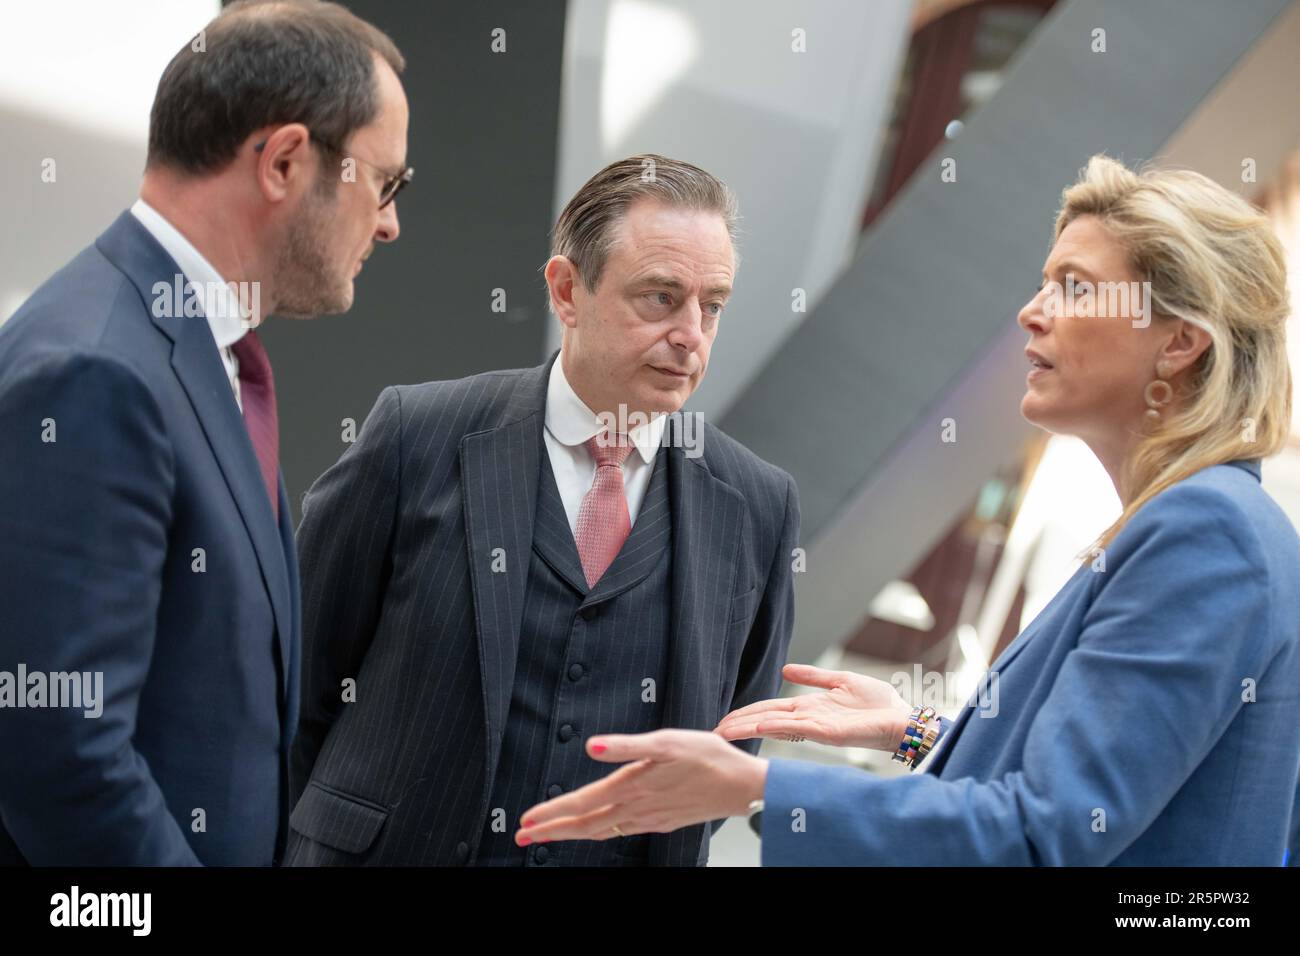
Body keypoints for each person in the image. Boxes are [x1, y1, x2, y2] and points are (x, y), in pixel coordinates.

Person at [513, 154, 1300, 866]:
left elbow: (1042, 836)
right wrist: (913, 733)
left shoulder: (1207, 535)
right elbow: (1100, 788)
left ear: (1178, 345)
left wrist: (755, 788)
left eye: (1076, 287)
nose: (1032, 311)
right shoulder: (1210, 524)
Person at [287, 154, 800, 866]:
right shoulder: (419, 435)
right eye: (660, 297)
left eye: (711, 305)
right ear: (566, 291)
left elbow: (723, 761)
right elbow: (295, 681)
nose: (691, 334)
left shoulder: (758, 509)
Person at [0, 0, 409, 865]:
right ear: (288, 161)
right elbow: (58, 753)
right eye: (385, 181)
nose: (388, 222)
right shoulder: (97, 371)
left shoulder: (199, 349)